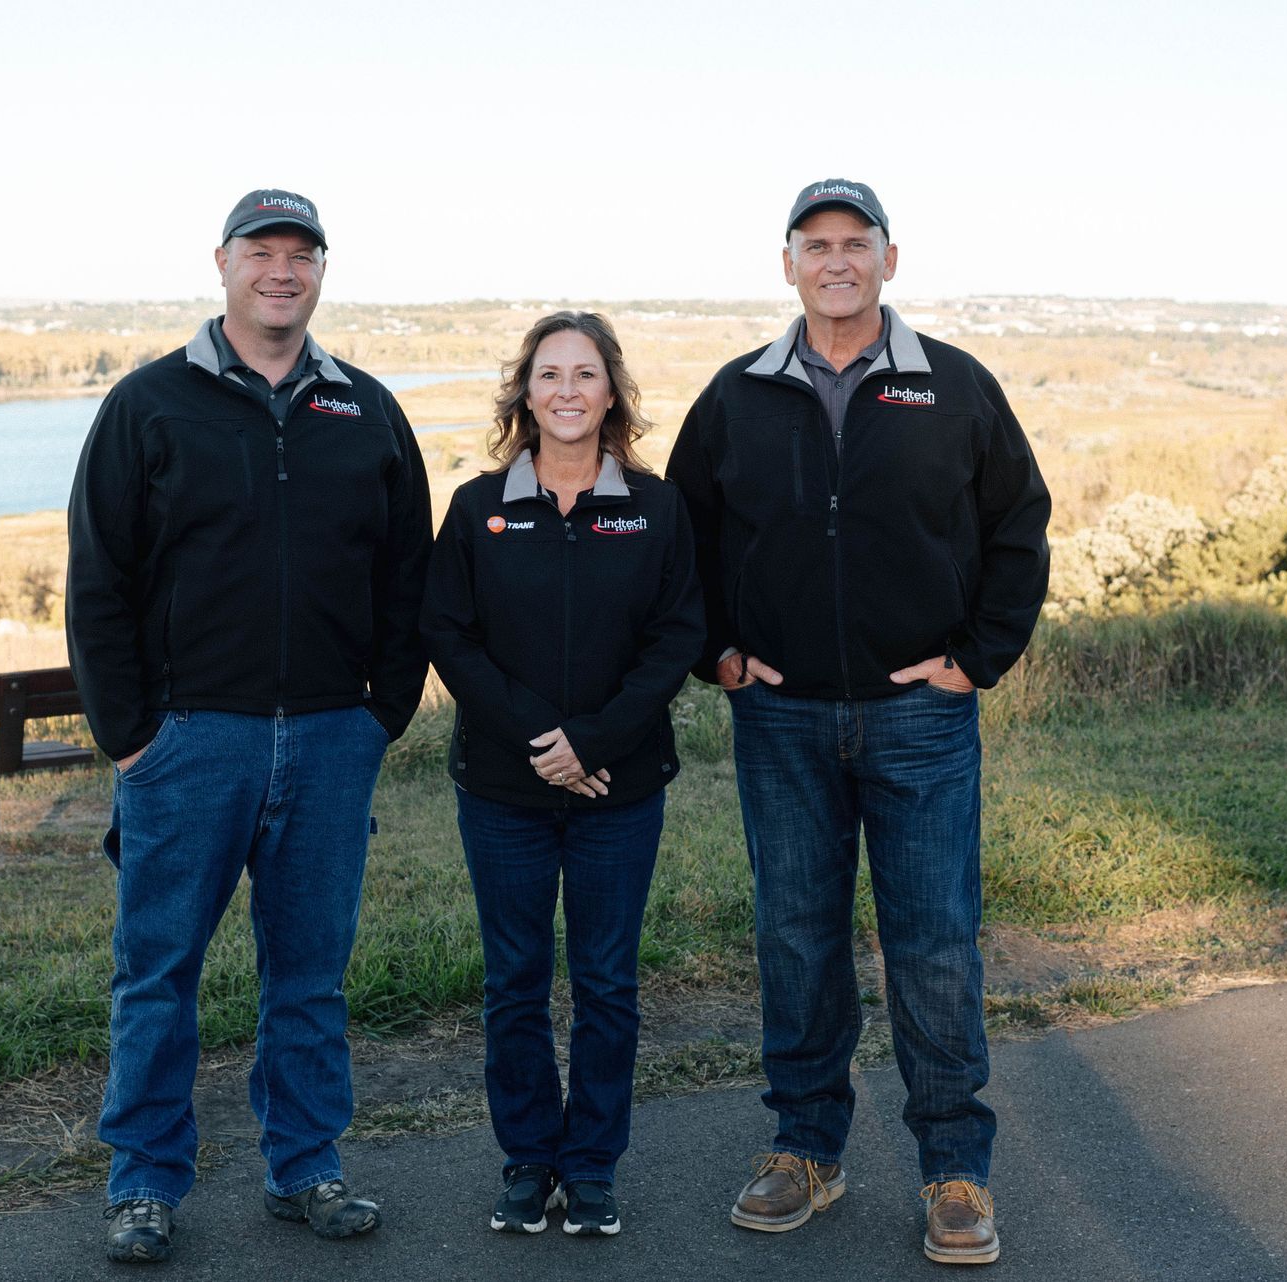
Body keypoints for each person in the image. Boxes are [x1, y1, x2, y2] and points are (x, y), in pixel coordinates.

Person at [665, 180, 1050, 1265]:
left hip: (918, 719)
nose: (836, 261)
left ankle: (954, 1170)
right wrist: (718, 653)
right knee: (796, 934)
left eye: (855, 244)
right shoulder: (739, 394)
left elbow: (1019, 524)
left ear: (890, 258)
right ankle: (806, 1149)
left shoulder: (954, 387)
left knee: (932, 941)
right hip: (780, 716)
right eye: (816, 245)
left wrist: (977, 660)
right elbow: (682, 537)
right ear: (786, 263)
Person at [65, 188, 432, 1264]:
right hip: (189, 747)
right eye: (261, 252)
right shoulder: (150, 405)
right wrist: (134, 736)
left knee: (309, 973)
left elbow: (408, 574)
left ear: (323, 271)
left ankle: (306, 1164)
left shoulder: (365, 409)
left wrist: (381, 715)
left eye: (301, 254)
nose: (282, 270)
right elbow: (100, 581)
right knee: (157, 971)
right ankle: (142, 1181)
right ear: (221, 263)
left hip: (330, 741)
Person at [420, 311, 703, 1239]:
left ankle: (589, 1169)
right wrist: (548, 741)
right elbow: (449, 637)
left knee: (608, 984)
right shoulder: (476, 508)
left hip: (619, 790)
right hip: (503, 790)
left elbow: (676, 642)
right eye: (550, 374)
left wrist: (594, 743)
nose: (569, 390)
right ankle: (527, 1161)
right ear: (526, 392)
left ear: (611, 392)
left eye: (587, 374)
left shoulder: (655, 509)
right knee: (514, 982)